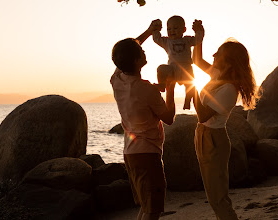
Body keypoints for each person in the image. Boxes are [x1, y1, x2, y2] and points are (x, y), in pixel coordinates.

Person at [191, 20, 259, 220]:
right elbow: (196, 60)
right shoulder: (218, 76)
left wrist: (191, 89)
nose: (213, 56)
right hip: (203, 135)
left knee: (218, 198)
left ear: (228, 62)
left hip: (213, 139)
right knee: (214, 196)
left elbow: (203, 115)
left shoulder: (229, 89)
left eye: (218, 53)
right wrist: (199, 38)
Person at [110, 21, 176, 220]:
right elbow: (169, 118)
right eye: (141, 51)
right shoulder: (145, 89)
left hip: (130, 153)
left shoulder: (117, 80)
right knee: (152, 210)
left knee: (145, 207)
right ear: (137, 60)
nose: (143, 51)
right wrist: (171, 87)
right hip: (147, 154)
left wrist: (148, 32)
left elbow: (125, 52)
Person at [152, 15, 204, 110]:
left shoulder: (187, 40)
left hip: (186, 68)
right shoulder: (166, 41)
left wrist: (199, 31)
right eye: (169, 29)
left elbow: (197, 40)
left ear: (184, 29)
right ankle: (162, 84)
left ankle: (187, 101)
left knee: (190, 85)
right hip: (173, 68)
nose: (172, 31)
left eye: (175, 28)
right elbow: (157, 39)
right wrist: (155, 30)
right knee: (161, 68)